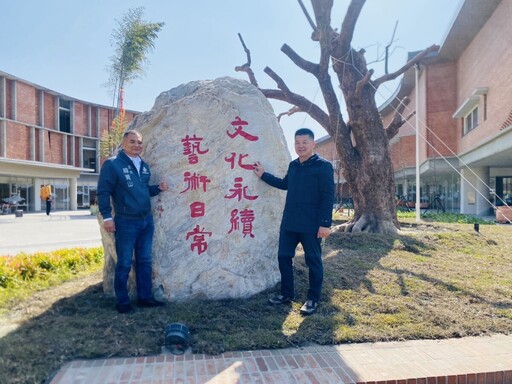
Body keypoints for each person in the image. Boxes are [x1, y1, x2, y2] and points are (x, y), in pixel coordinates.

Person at [253, 128, 334, 315]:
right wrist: (263, 174)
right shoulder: (294, 165)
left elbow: (328, 196)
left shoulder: (323, 166)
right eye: (297, 142)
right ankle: (287, 294)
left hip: (311, 225)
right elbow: (284, 184)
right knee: (283, 257)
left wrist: (325, 223)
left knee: (313, 261)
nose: (300, 146)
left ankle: (313, 299)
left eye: (305, 142)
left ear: (313, 143)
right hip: (289, 223)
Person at [97, 130, 169, 314]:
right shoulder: (113, 165)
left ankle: (145, 297)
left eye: (139, 142)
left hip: (146, 221)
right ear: (123, 143)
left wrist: (157, 189)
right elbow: (103, 192)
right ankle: (122, 301)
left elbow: (142, 190)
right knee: (125, 262)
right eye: (132, 141)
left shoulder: (143, 166)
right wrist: (107, 217)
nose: (136, 145)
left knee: (145, 261)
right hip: (126, 222)